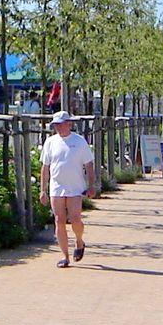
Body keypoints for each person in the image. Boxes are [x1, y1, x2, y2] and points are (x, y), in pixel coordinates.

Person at [38, 111, 97, 268]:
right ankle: (65, 256)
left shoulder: (79, 141)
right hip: (56, 187)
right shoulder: (50, 142)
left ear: (69, 124)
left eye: (60, 124)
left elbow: (89, 165)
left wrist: (91, 185)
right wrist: (43, 190)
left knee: (75, 219)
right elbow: (45, 167)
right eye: (55, 125)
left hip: (75, 187)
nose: (58, 127)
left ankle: (79, 241)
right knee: (59, 220)